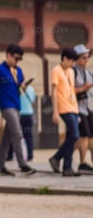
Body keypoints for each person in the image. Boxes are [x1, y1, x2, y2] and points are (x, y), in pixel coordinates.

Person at [0, 44, 36, 177]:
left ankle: (0, 166)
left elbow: (19, 90)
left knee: (7, 137)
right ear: (8, 55)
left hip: (17, 105)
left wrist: (23, 86)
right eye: (16, 58)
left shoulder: (19, 70)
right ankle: (22, 164)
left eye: (19, 59)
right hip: (6, 106)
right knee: (17, 132)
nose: (17, 61)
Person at [48, 47, 80, 177]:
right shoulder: (56, 70)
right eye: (72, 61)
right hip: (63, 108)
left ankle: (67, 167)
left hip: (73, 107)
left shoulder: (71, 71)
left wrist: (77, 111)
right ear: (65, 58)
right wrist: (55, 111)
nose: (73, 64)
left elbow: (72, 90)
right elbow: (54, 92)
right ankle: (56, 157)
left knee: (70, 137)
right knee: (75, 135)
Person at [71, 45, 93, 173]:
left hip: (89, 107)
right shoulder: (73, 72)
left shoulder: (88, 72)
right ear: (77, 58)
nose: (86, 59)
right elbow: (68, 90)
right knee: (83, 136)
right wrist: (82, 89)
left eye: (87, 57)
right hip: (77, 108)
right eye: (83, 57)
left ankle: (63, 153)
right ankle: (82, 162)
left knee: (90, 137)